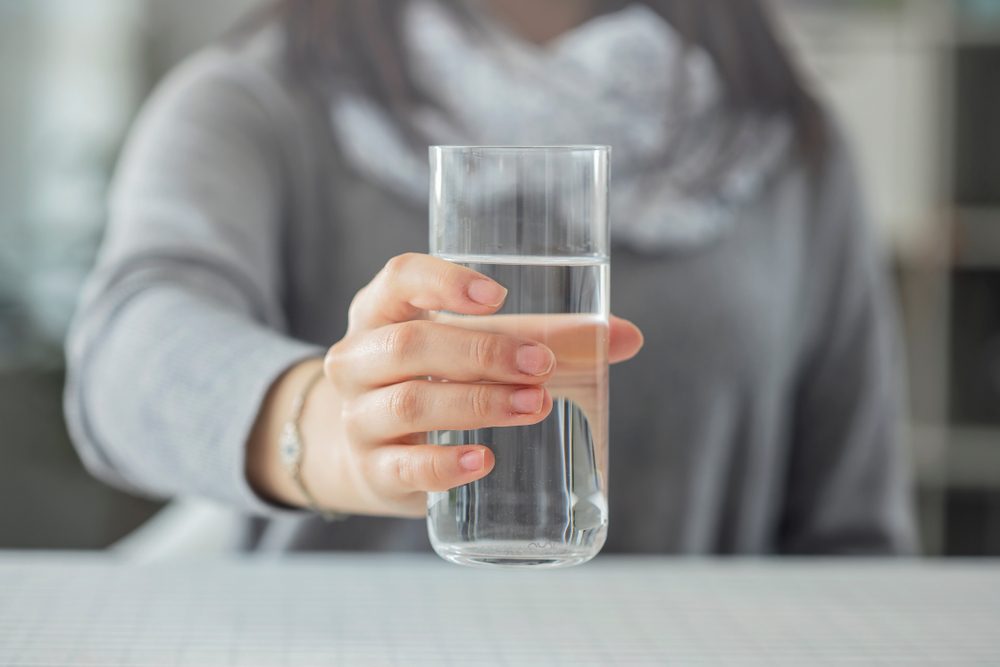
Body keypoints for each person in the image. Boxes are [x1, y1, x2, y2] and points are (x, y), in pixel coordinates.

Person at [65, 0, 915, 554]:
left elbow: (853, 529)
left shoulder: (786, 146)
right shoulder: (262, 98)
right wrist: (319, 424)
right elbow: (129, 351)